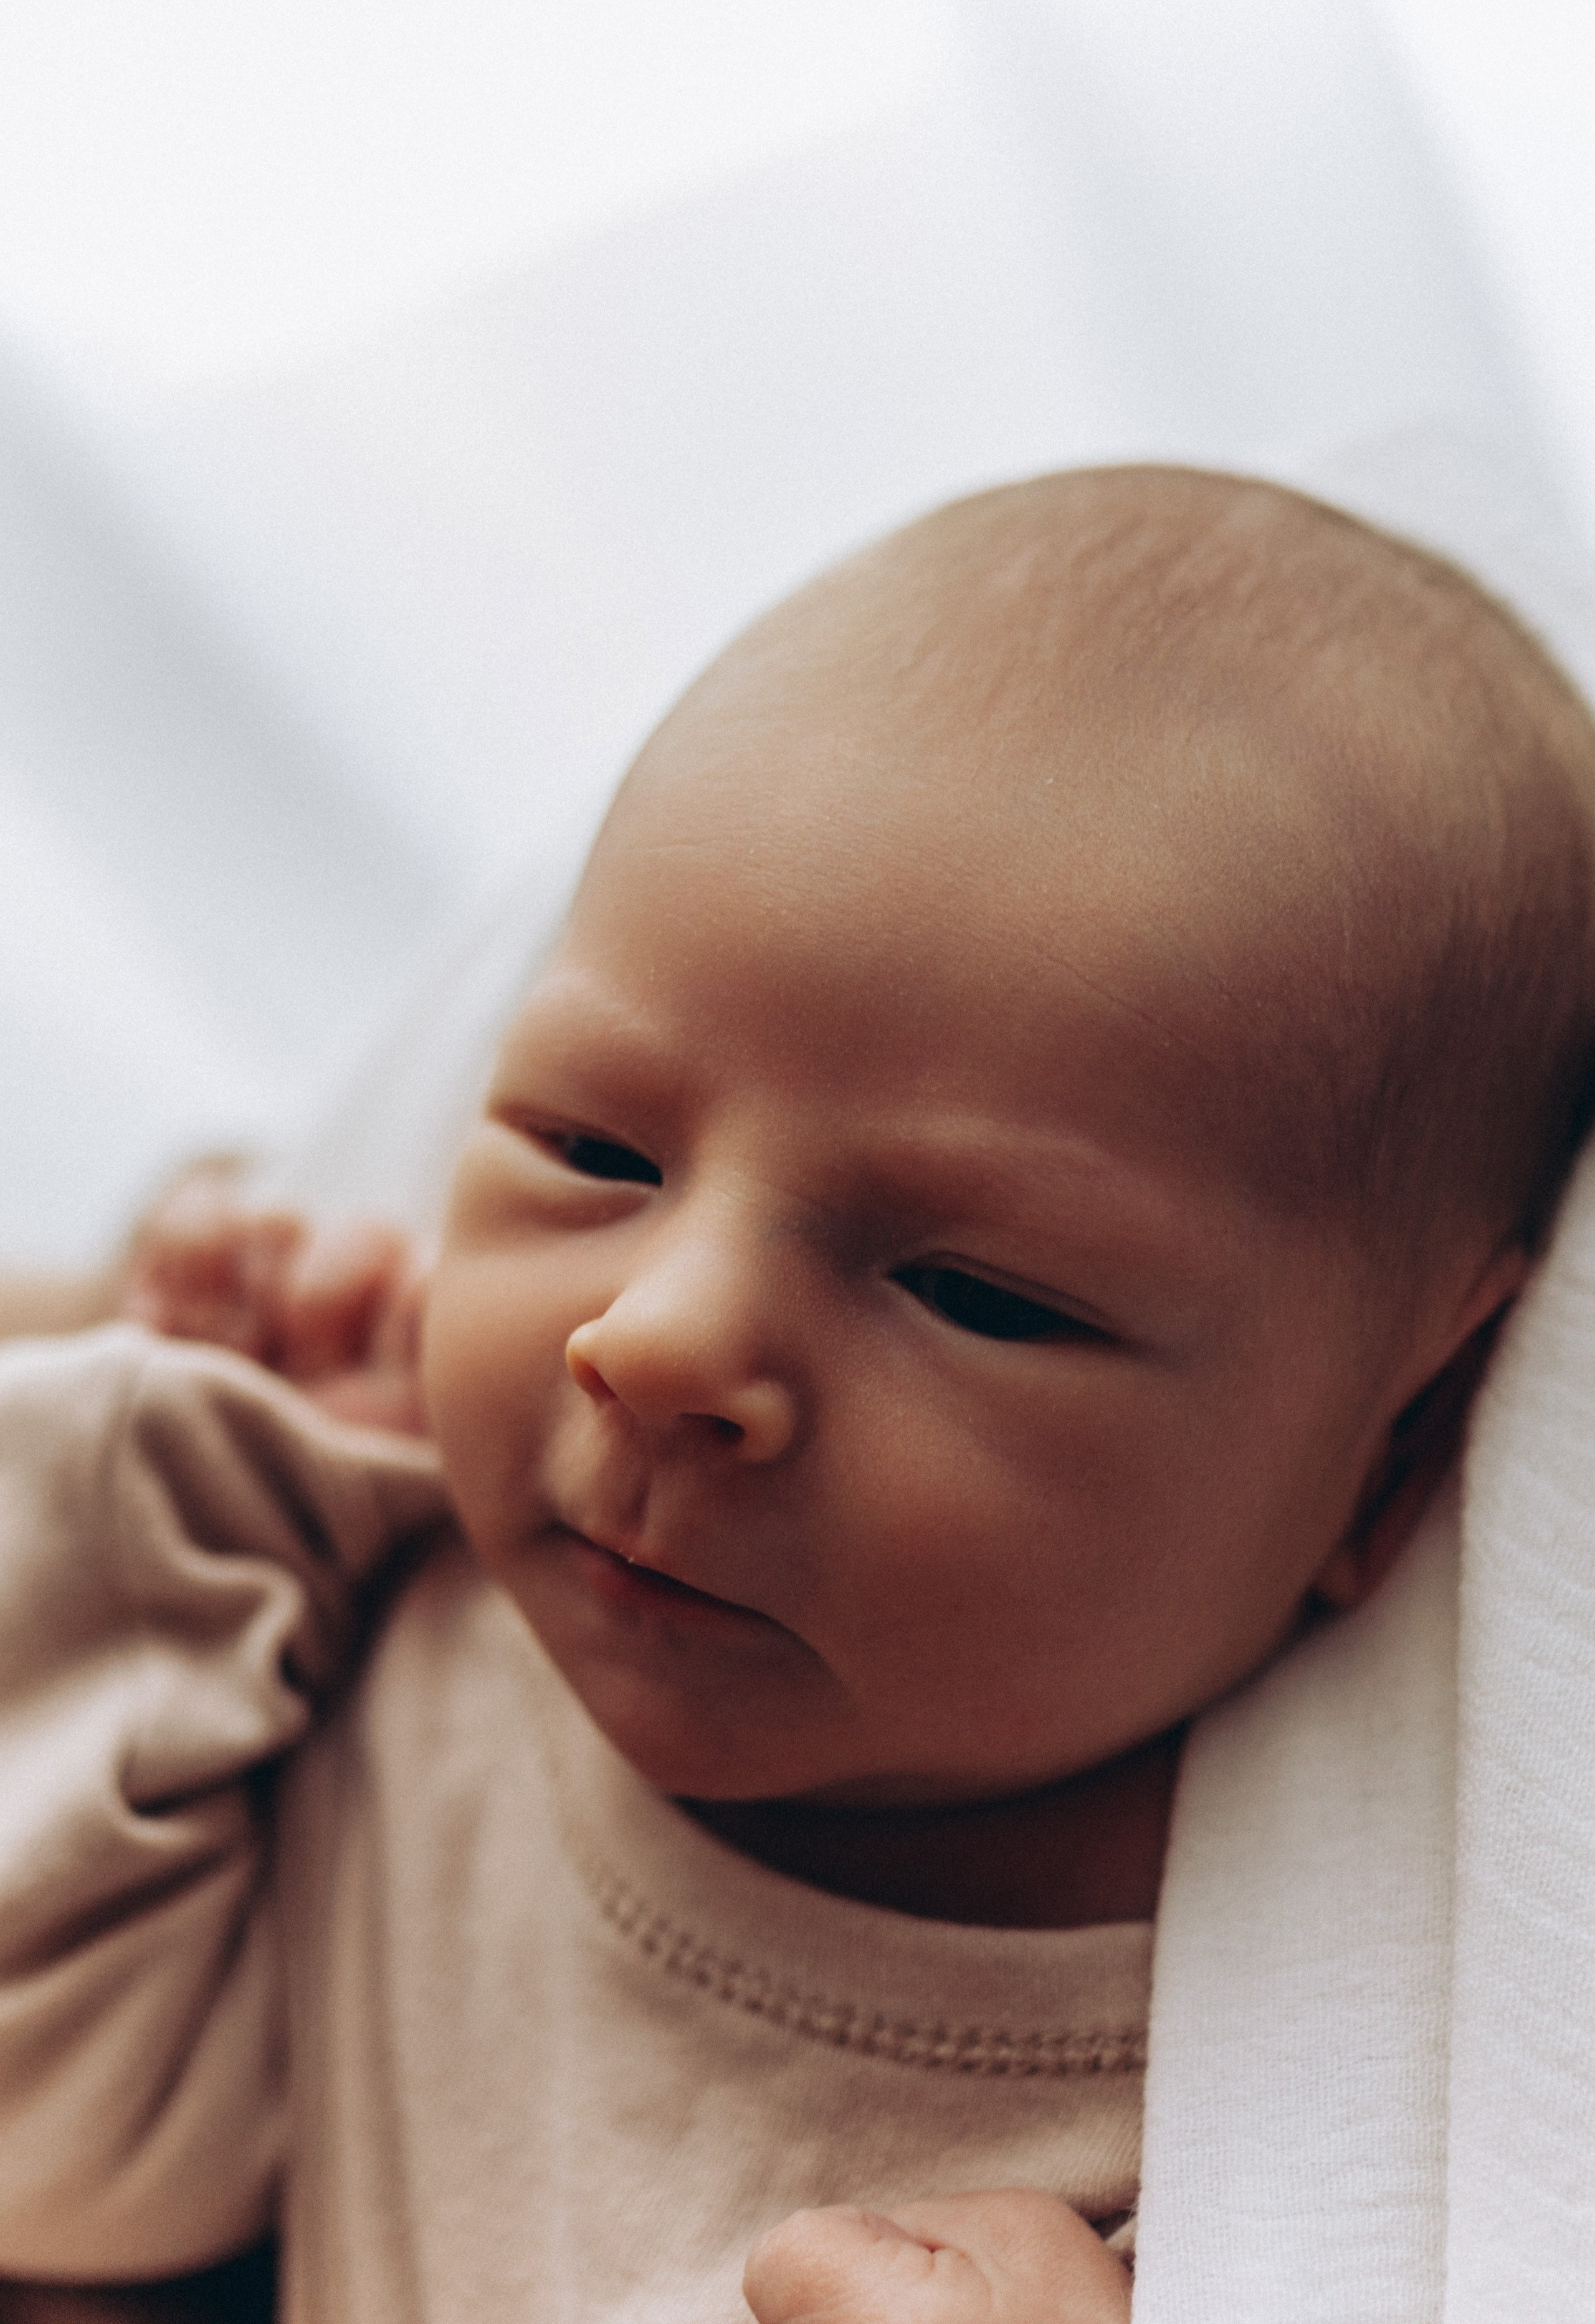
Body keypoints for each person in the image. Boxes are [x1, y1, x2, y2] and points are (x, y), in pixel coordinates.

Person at [1, 464, 1592, 2324]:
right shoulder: (398, 1633)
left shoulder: (1319, 2088)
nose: (655, 1340)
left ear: (1396, 1451)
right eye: (592, 1148)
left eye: (972, 1293)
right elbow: (65, 2157)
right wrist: (173, 1470)